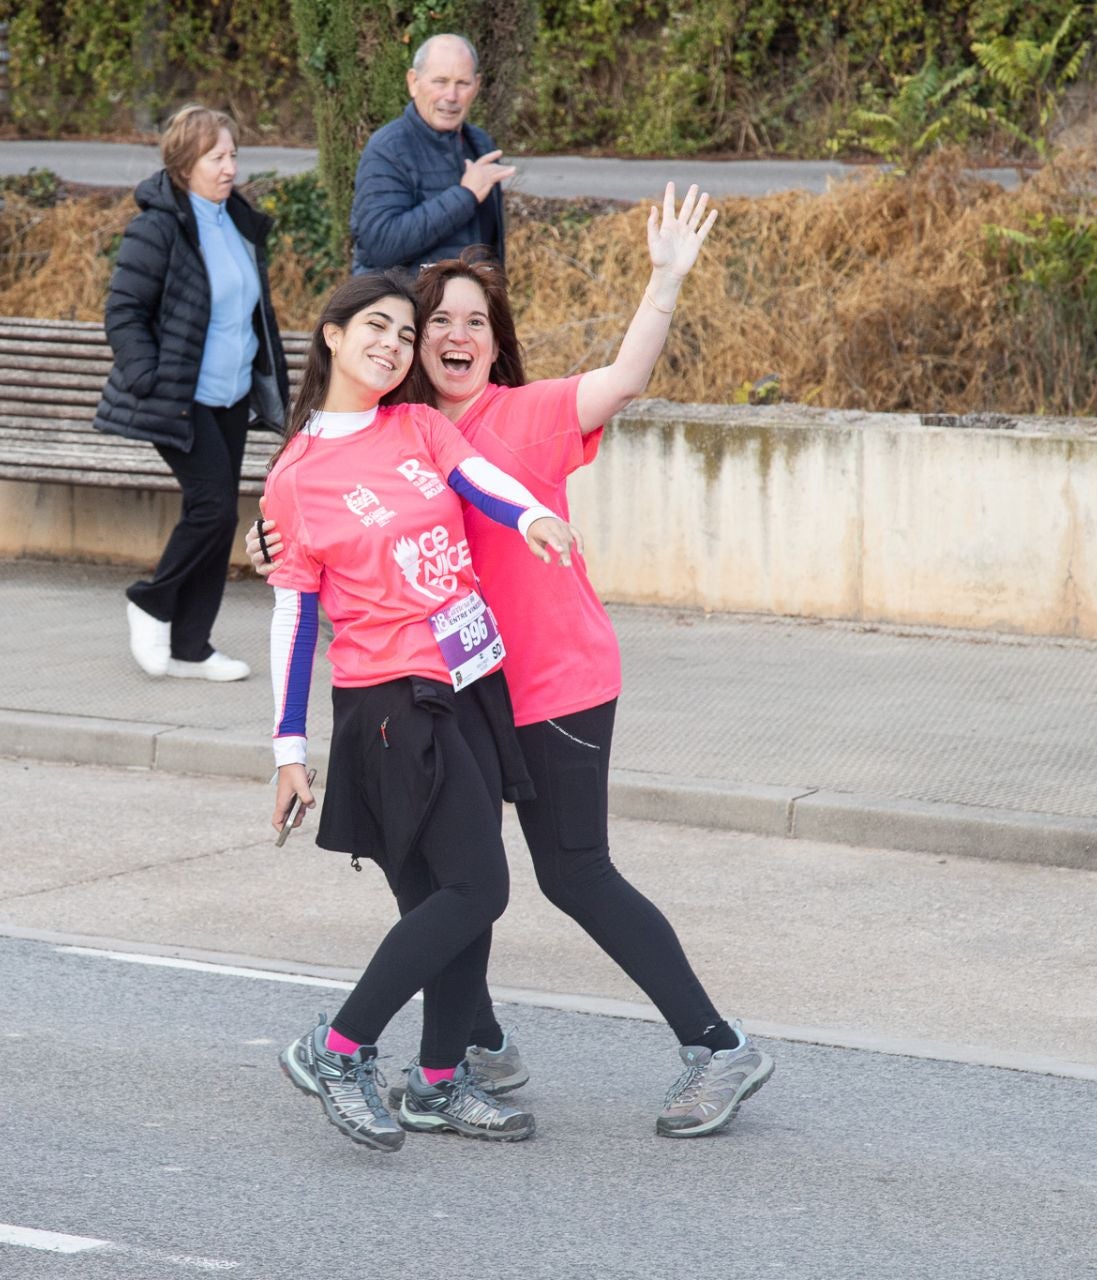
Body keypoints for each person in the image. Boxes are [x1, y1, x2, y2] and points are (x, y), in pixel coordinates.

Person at [253, 184, 776, 1139]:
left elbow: (615, 383)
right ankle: (465, 1052)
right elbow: (310, 551)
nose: (448, 337)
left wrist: (663, 283)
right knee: (454, 881)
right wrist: (279, 558)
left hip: (556, 682)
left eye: (472, 323)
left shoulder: (520, 414)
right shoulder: (393, 431)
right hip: (463, 694)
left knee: (567, 874)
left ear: (496, 342)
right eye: (428, 323)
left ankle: (715, 1045)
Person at [263, 271, 581, 1152]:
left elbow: (482, 483)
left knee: (456, 896)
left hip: (471, 681)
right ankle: (338, 1046)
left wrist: (531, 520)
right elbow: (292, 618)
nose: (394, 346)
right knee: (480, 888)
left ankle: (437, 1083)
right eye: (377, 327)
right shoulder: (297, 476)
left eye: (405, 334)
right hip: (392, 701)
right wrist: (288, 748)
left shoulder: (417, 425)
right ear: (331, 334)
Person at [94, 104, 290, 682]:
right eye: (217, 157)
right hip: (182, 397)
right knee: (210, 509)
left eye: (233, 155)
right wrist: (147, 376)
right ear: (184, 165)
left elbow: (252, 314)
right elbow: (123, 310)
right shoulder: (159, 225)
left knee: (219, 514)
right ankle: (150, 600)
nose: (230, 167)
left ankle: (192, 647)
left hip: (230, 397)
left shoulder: (237, 220)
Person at [349, 33, 514, 276]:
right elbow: (380, 247)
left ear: (477, 86)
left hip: (465, 310)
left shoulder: (481, 145)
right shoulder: (387, 148)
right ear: (413, 82)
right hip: (406, 310)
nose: (451, 96)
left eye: (463, 83)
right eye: (440, 81)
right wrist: (465, 196)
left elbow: (489, 247)